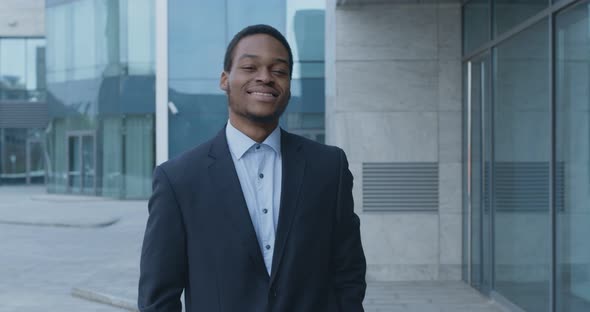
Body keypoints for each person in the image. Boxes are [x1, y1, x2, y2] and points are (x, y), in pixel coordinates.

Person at [138, 24, 366, 312]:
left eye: (279, 71)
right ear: (224, 79)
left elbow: (349, 271)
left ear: (289, 84)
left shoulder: (328, 167)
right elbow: (158, 297)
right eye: (249, 67)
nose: (265, 77)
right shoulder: (179, 180)